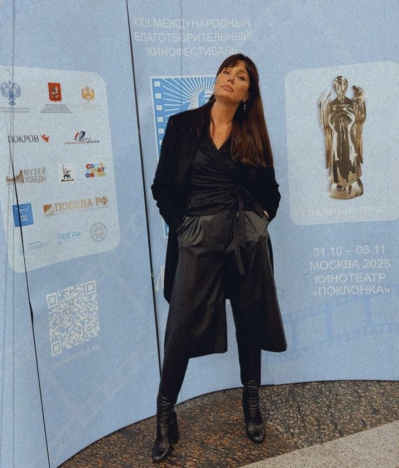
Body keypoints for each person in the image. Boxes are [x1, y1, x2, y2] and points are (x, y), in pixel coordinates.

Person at [151, 53, 287, 463]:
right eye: (226, 72)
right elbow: (162, 187)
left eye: (240, 76)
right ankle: (164, 415)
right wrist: (184, 228)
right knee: (181, 326)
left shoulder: (253, 134)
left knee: (249, 318)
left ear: (247, 93)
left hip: (245, 240)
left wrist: (259, 221)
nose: (230, 78)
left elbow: (271, 193)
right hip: (198, 238)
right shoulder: (182, 126)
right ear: (216, 80)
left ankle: (251, 403)